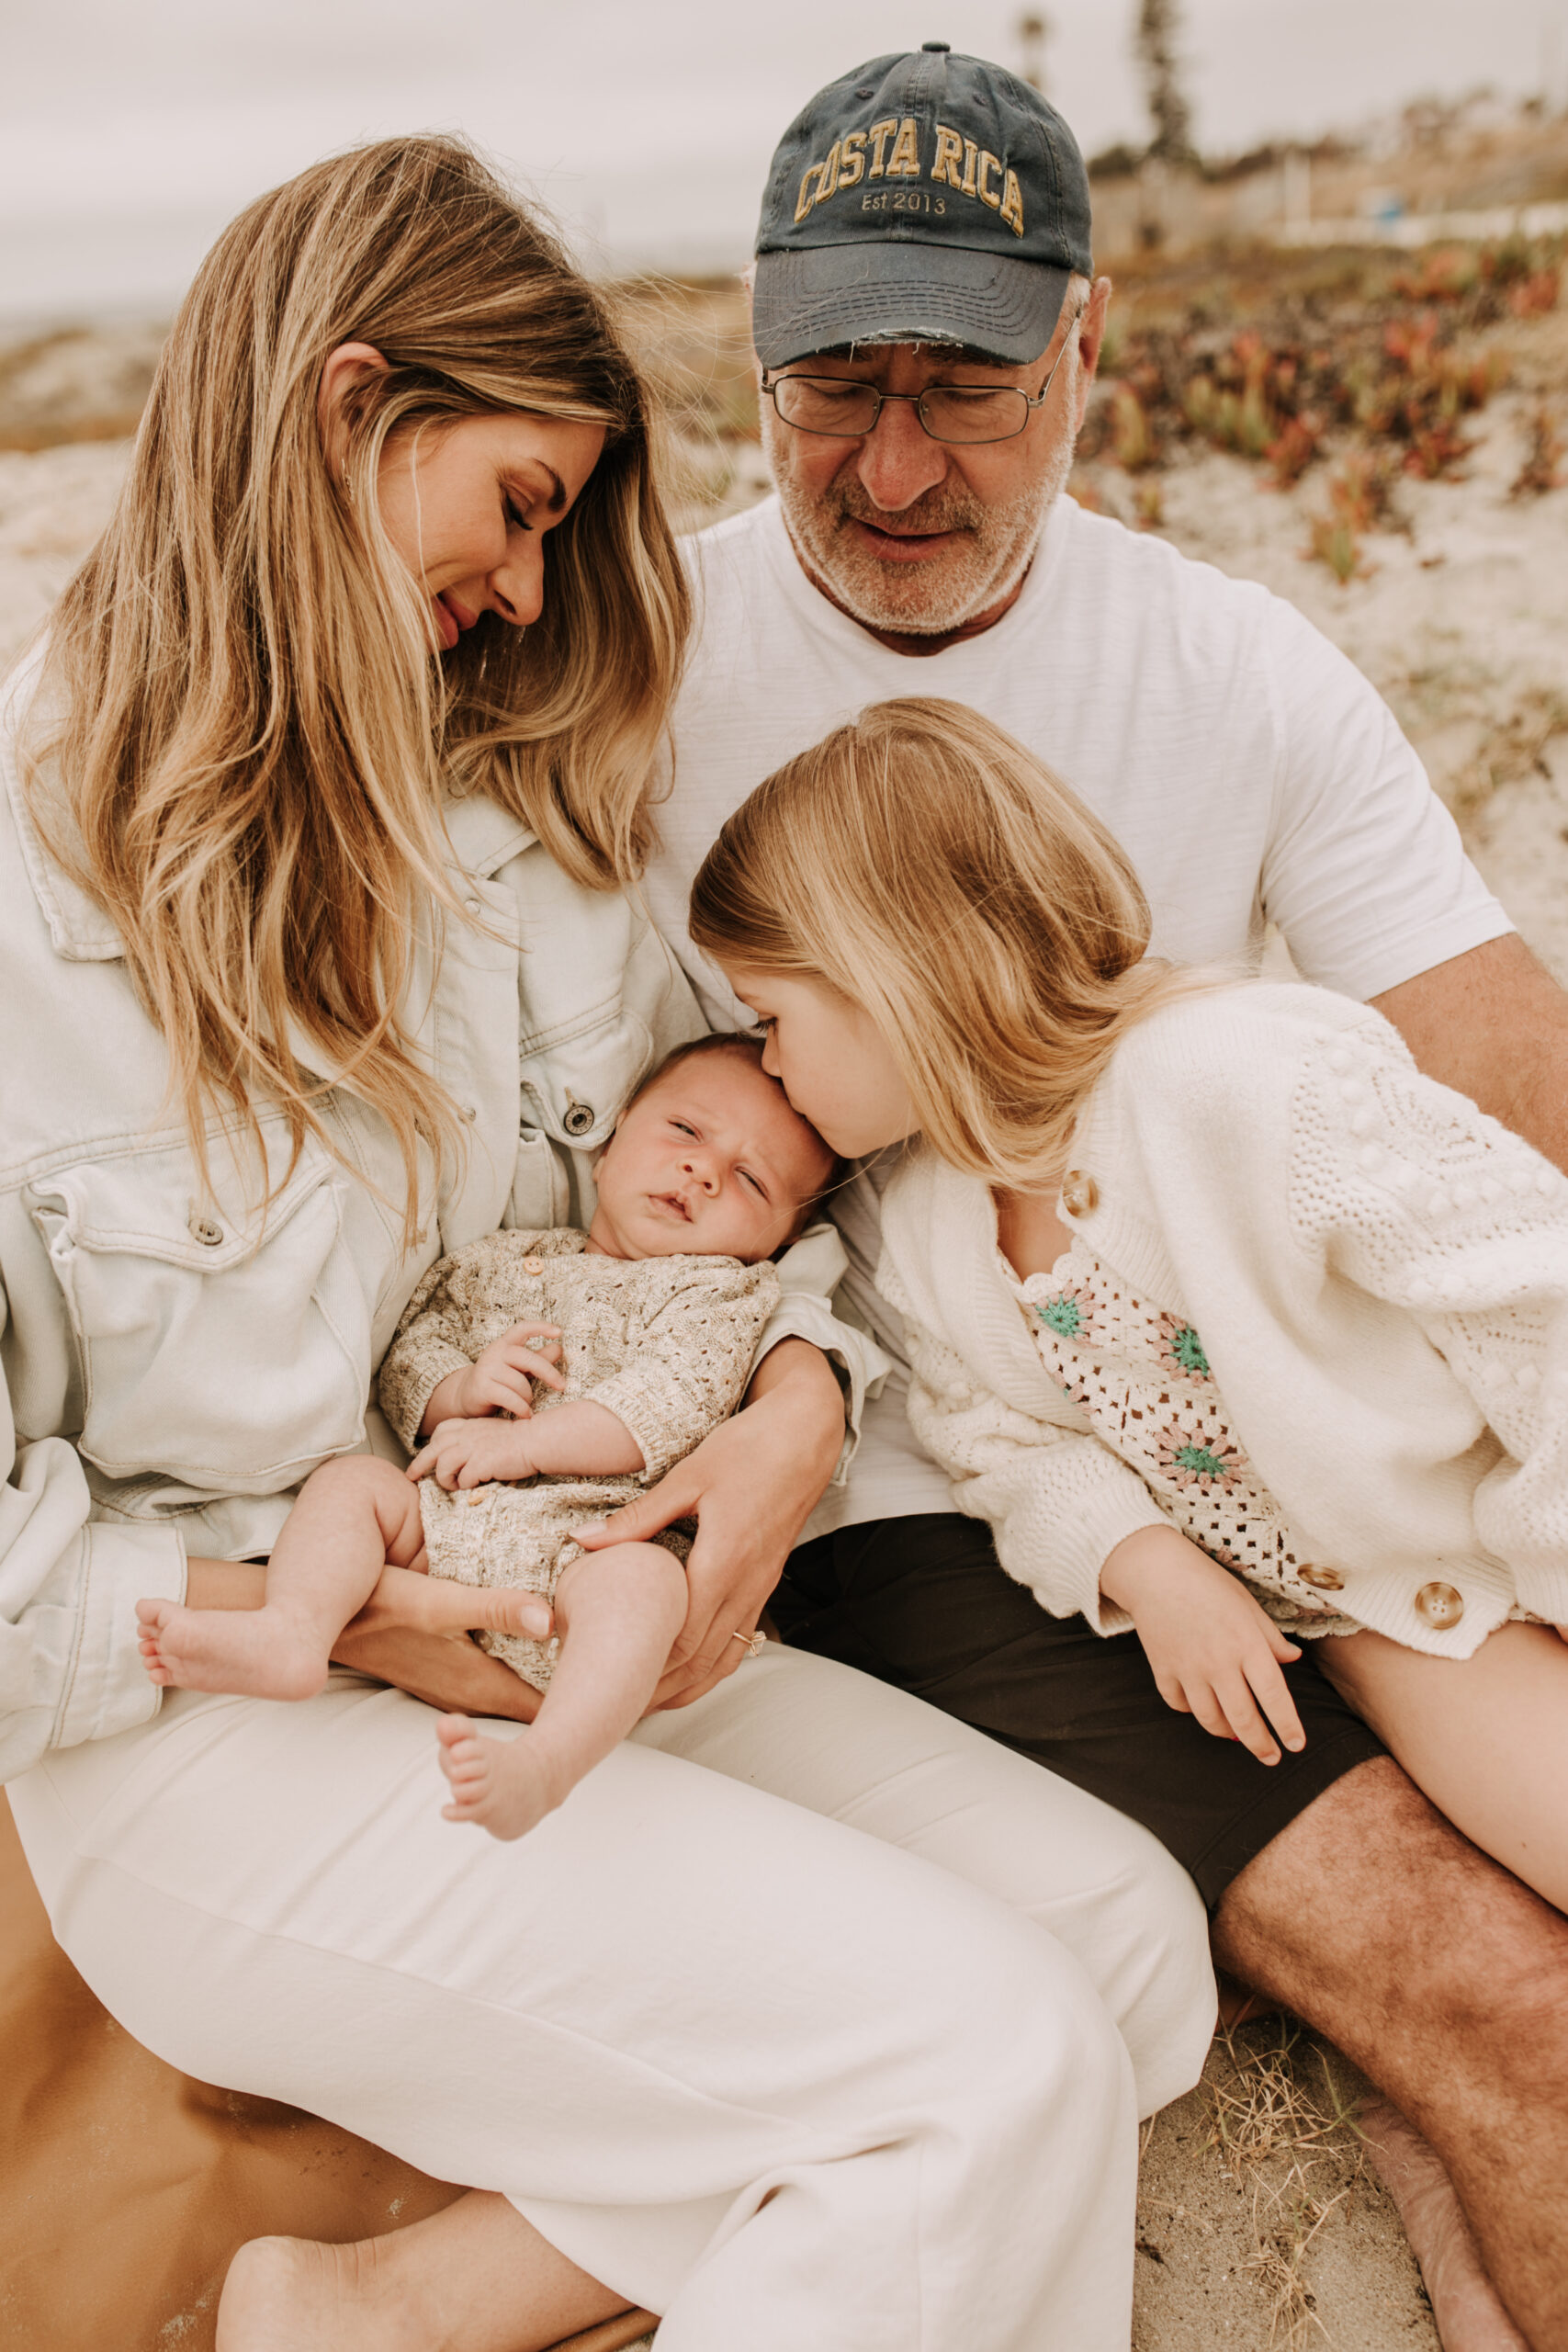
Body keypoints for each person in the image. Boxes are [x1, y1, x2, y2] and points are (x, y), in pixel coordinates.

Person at [0, 135, 1213, 2352]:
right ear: (353, 415)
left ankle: (381, 2309)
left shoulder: (521, 837)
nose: (531, 595)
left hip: (579, 1632)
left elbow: (757, 1186)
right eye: (518, 507)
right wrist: (328, 1611)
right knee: (978, 2073)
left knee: (1121, 1944)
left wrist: (783, 1414)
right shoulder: (20, 898)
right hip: (224, 1740)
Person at [631, 42, 1568, 2351]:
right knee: (1486, 1983)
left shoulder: (1227, 665)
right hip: (906, 1479)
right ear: (743, 353)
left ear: (1085, 352)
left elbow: (1489, 1094)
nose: (885, 460)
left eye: (959, 385)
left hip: (1264, 1456)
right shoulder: (625, 669)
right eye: (823, 384)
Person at [689, 695, 1568, 1916]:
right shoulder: (932, 1228)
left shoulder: (1235, 1079)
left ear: (883, 979)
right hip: (1401, 1622)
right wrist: (1141, 1560)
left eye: (769, 1017)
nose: (766, 1064)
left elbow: (1532, 1307)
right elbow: (991, 1437)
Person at [136, 1035, 836, 1844]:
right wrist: (457, 1392)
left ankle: (550, 1757)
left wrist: (530, 1445)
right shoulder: (504, 1258)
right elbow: (414, 1348)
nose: (704, 1171)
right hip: (441, 1532)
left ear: (775, 1242)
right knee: (350, 1487)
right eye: (685, 1131)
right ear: (606, 1151)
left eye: (751, 1179)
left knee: (644, 1586)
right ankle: (293, 1632)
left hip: (588, 1548)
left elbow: (674, 1397)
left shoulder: (723, 1292)